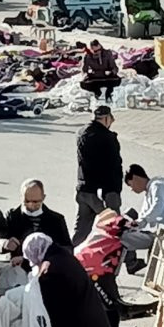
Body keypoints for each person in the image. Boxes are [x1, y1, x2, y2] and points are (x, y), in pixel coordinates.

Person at [121, 164, 164, 274]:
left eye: (131, 185)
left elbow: (157, 207)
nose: (132, 189)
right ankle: (131, 262)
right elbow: (143, 216)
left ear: (135, 178)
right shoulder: (149, 192)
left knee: (124, 237)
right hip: (159, 232)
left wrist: (142, 222)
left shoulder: (158, 185)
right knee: (123, 234)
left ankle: (131, 262)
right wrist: (132, 224)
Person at [0, 179, 72, 267]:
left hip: (45, 269)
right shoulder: (12, 216)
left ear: (43, 198)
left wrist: (47, 250)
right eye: (26, 201)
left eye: (35, 201)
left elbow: (67, 250)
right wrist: (4, 244)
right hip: (16, 268)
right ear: (21, 197)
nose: (31, 205)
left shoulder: (56, 220)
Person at [72, 105, 122, 246]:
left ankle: (69, 258)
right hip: (104, 192)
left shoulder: (81, 133)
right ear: (106, 118)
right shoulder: (108, 138)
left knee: (81, 232)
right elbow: (114, 166)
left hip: (83, 189)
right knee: (116, 226)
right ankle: (130, 261)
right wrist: (114, 192)